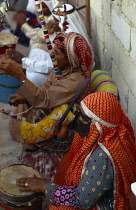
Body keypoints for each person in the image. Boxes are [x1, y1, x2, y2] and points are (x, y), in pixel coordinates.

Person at [15, 91, 136, 209]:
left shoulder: (102, 157)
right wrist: (65, 135)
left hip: (104, 204)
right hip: (94, 190)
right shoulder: (110, 134)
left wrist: (45, 187)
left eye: (83, 117)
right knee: (66, 164)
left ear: (96, 124)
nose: (78, 119)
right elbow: (81, 142)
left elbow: (82, 200)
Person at [0, 32, 94, 180]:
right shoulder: (61, 69)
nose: (52, 55)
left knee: (19, 127)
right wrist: (24, 97)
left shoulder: (76, 80)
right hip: (51, 106)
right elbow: (44, 91)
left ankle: (35, 144)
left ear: (70, 58)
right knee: (23, 105)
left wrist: (19, 75)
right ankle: (31, 141)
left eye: (56, 53)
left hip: (62, 124)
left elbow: (44, 99)